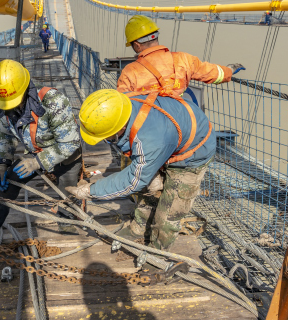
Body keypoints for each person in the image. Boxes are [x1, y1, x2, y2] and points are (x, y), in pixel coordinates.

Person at [67, 89, 215, 250]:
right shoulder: (122, 106)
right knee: (148, 190)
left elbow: (133, 181)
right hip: (167, 139)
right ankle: (139, 230)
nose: (105, 140)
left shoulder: (150, 139)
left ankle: (157, 251)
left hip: (192, 155)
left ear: (121, 128)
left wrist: (91, 190)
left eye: (107, 137)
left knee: (170, 211)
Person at [0, 59, 82, 265]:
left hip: (64, 158)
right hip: (35, 156)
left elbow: (70, 143)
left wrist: (38, 162)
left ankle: (69, 235)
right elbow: (6, 137)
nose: (11, 107)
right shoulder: (6, 107)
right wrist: (3, 164)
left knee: (68, 207)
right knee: (5, 188)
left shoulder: (53, 101)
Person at [118, 14, 245, 96]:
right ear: (156, 36)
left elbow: (121, 105)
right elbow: (212, 73)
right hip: (178, 123)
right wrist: (230, 70)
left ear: (137, 45)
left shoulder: (130, 71)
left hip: (147, 128)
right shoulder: (183, 59)